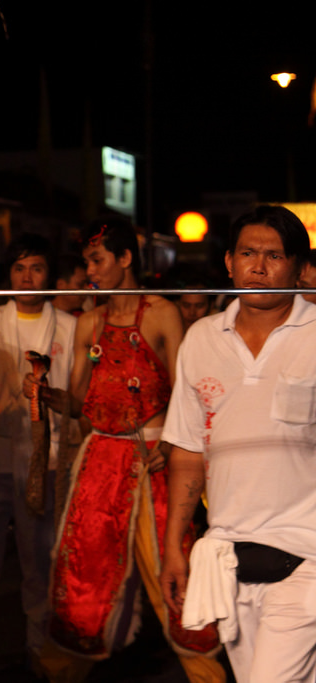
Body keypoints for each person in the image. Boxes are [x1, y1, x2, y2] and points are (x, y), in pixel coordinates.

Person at [42, 217, 221, 683]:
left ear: (125, 259)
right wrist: (45, 394)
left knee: (172, 562)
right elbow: (81, 404)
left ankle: (204, 668)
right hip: (101, 459)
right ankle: (64, 669)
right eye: (86, 263)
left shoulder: (162, 313)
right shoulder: (89, 323)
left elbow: (189, 389)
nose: (91, 272)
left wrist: (177, 443)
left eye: (98, 261)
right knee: (84, 568)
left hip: (156, 457)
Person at [161, 205, 316, 683]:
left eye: (274, 256)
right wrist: (174, 545)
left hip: (308, 554)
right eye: (248, 253)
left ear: (298, 267)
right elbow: (187, 452)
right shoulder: (202, 338)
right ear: (229, 262)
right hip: (227, 555)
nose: (259, 266)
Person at [0, 234, 76, 671]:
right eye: (19, 268)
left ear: (50, 277)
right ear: (7, 274)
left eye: (37, 268)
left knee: (40, 560)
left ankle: (40, 654)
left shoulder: (70, 326)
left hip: (47, 454)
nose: (27, 277)